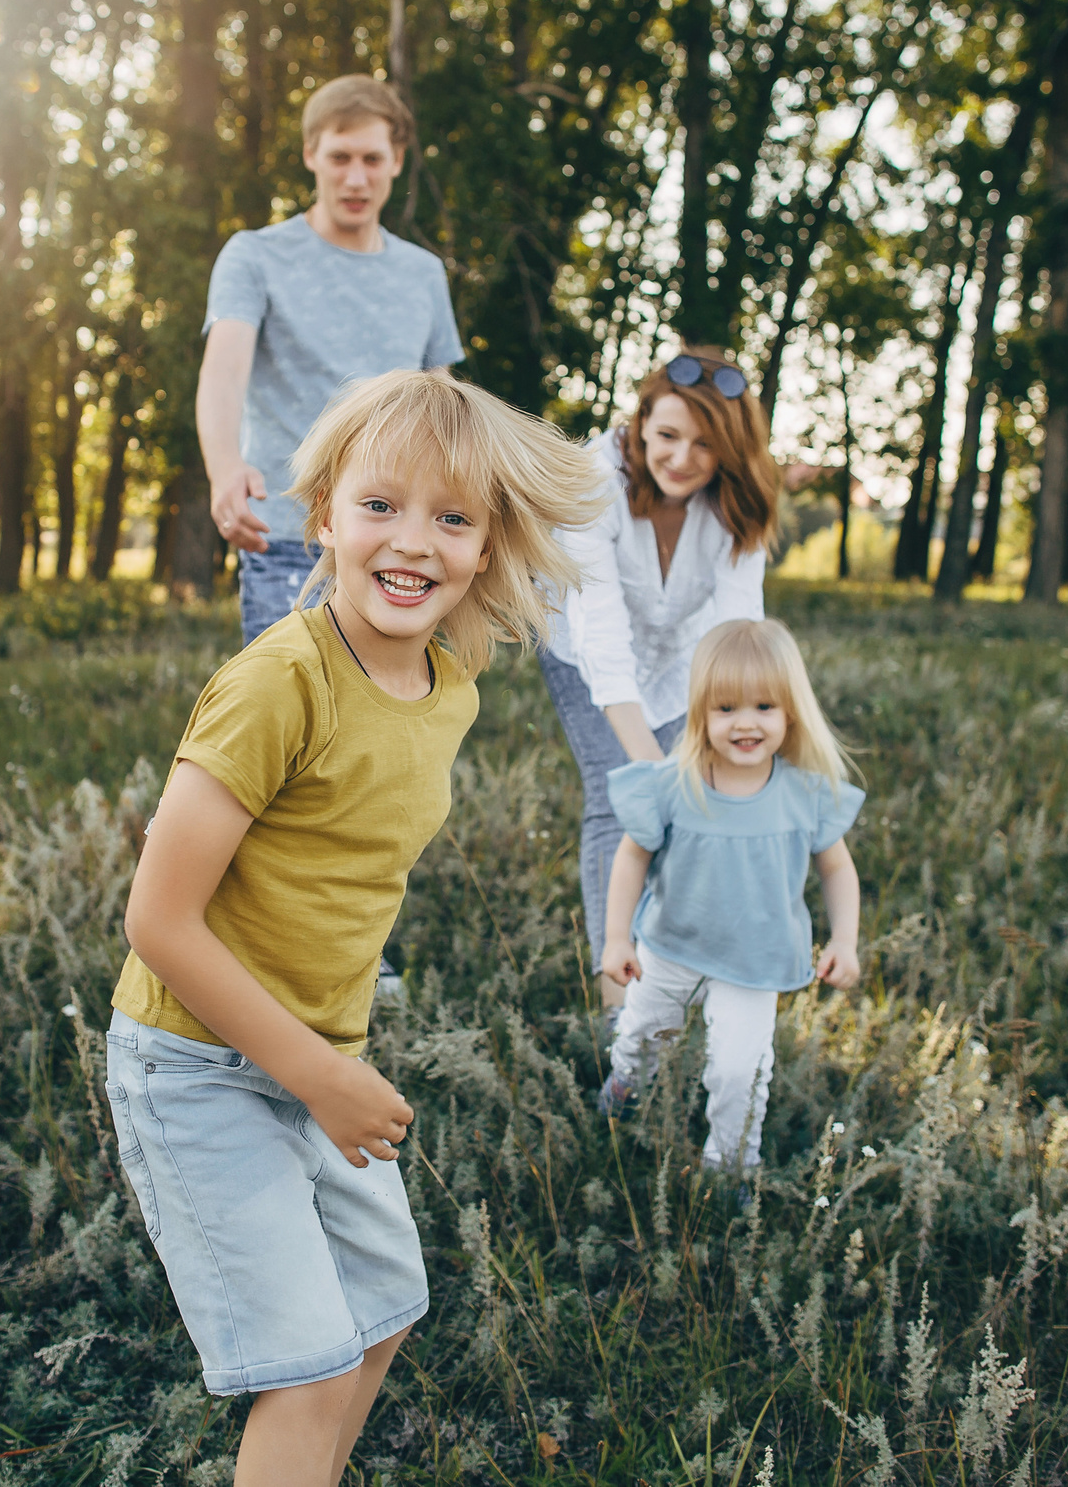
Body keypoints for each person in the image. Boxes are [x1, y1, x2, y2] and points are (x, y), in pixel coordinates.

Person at [107, 370, 603, 1486]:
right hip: (199, 1062)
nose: (412, 542)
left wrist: (326, 1068)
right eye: (380, 506)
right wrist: (315, 1076)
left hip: (318, 1054)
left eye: (452, 517)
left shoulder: (451, 681)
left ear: (487, 546)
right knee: (313, 1367)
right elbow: (159, 919)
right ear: (323, 514)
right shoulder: (279, 684)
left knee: (383, 1308)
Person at [541, 348, 780, 1006]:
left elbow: (737, 631)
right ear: (641, 423)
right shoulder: (596, 477)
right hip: (584, 649)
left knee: (703, 804)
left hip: (680, 661)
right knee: (624, 799)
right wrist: (654, 773)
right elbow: (604, 634)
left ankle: (683, 974)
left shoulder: (742, 500)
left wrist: (741, 743)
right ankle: (622, 1011)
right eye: (668, 436)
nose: (681, 458)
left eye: (705, 444)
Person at [198, 75, 464, 644]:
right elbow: (223, 371)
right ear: (310, 154)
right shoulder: (255, 256)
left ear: (396, 160)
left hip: (397, 542)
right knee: (295, 717)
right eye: (340, 157)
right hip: (291, 535)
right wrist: (225, 467)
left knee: (387, 719)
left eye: (372, 158)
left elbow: (446, 411)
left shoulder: (422, 274)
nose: (355, 177)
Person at [596, 618, 865, 1171]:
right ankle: (623, 1092)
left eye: (764, 707)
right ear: (701, 713)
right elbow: (630, 856)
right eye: (726, 709)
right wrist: (617, 939)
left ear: (791, 711)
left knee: (741, 1069)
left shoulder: (804, 794)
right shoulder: (674, 783)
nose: (746, 724)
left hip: (754, 961)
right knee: (644, 1038)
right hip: (669, 948)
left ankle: (731, 1166)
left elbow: (837, 869)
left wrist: (845, 938)